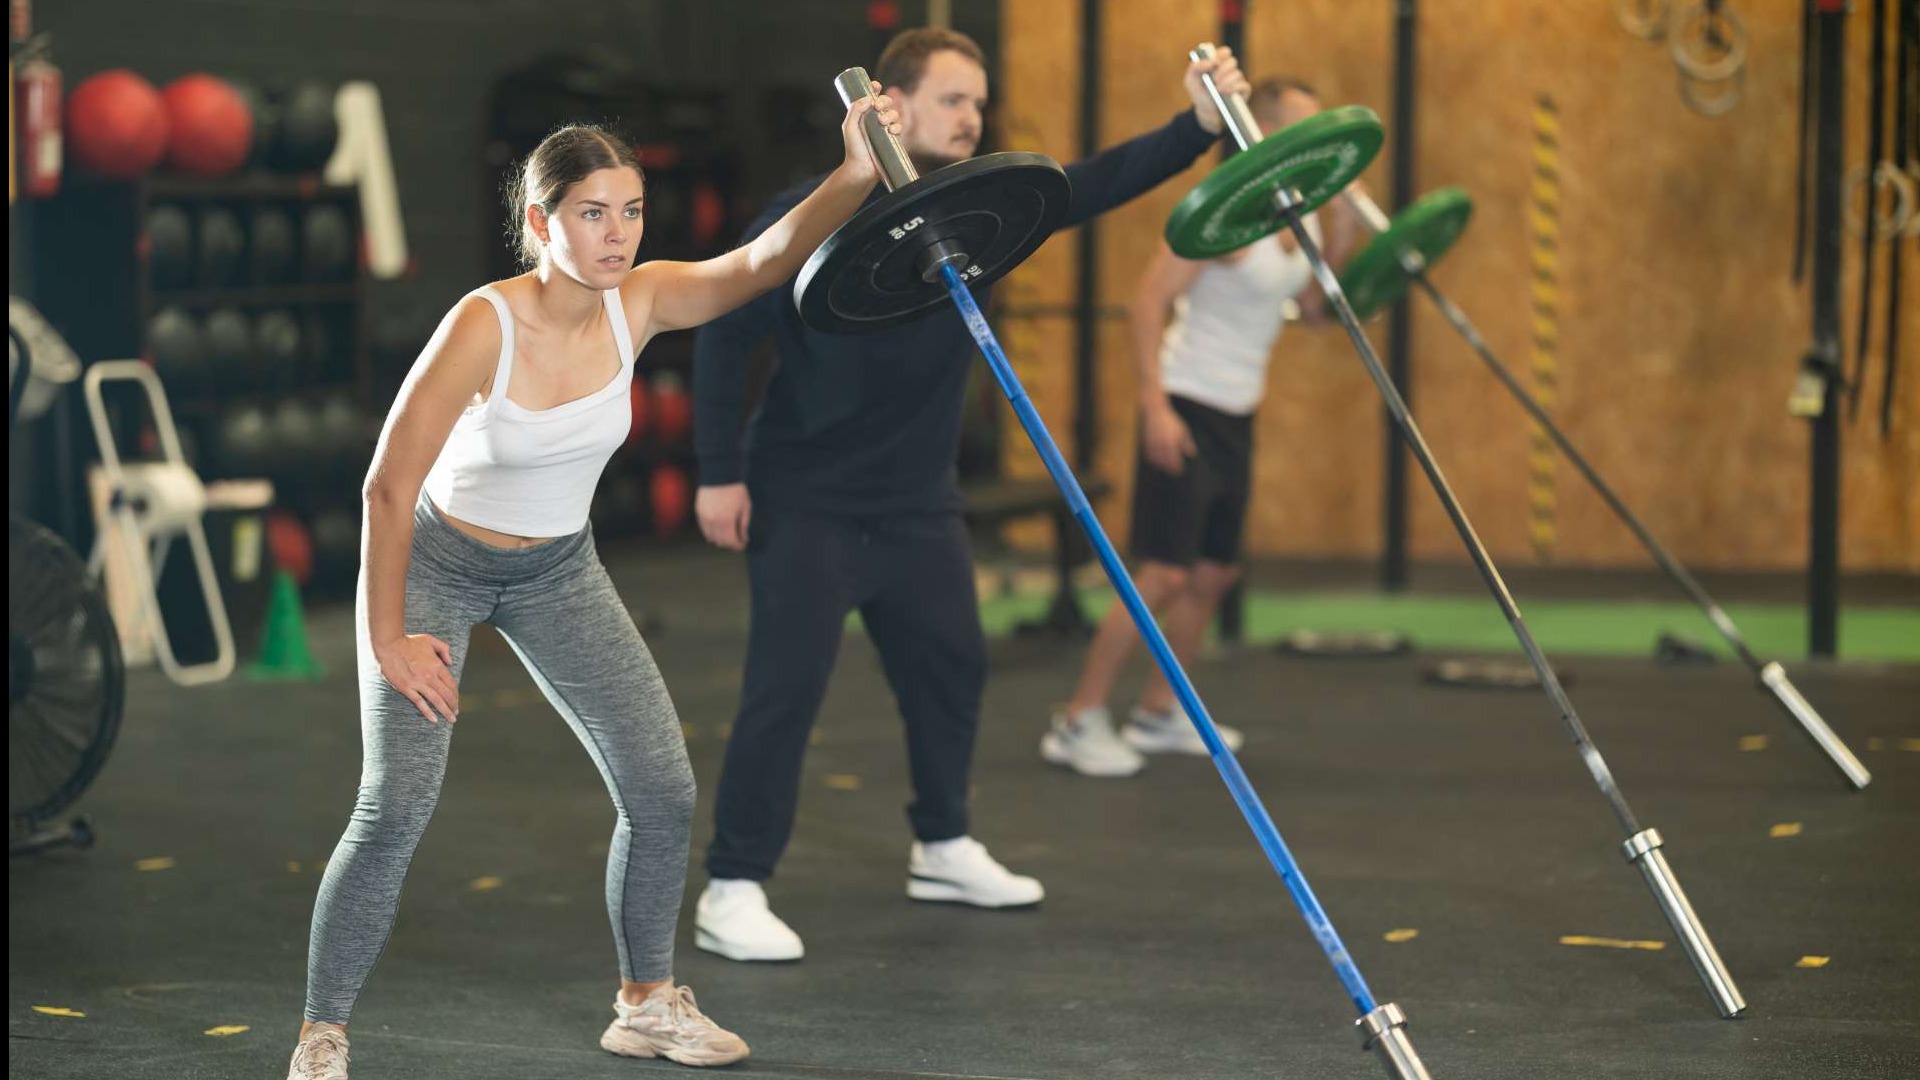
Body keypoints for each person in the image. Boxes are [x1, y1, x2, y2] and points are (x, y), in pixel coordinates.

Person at [283, 89, 903, 1080]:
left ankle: (645, 1004)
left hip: (557, 570)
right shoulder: (483, 325)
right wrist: (389, 638)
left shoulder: (643, 299)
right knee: (396, 805)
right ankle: (323, 1032)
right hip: (440, 561)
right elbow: (388, 487)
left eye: (631, 212)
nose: (617, 235)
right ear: (539, 222)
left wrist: (856, 175)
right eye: (591, 213)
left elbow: (762, 262)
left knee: (661, 788)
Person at [689, 27, 1251, 964]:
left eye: (980, 102)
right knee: (784, 692)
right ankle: (734, 884)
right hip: (808, 497)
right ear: (893, 108)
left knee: (952, 670)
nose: (974, 117)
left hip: (917, 503)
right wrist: (717, 471)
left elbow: (1092, 183)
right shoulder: (810, 213)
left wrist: (1194, 128)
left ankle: (943, 845)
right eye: (955, 99)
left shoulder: (980, 210)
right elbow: (718, 332)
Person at [1041, 79, 1363, 778]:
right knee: (1159, 574)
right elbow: (1146, 304)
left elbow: (1311, 311)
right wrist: (1154, 405)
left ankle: (1160, 710)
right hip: (1185, 405)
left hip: (1237, 411)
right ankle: (1078, 718)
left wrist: (1338, 235)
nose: (1314, 143)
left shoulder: (1292, 217)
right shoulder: (1224, 218)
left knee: (1214, 573)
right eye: (1301, 129)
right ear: (1266, 132)